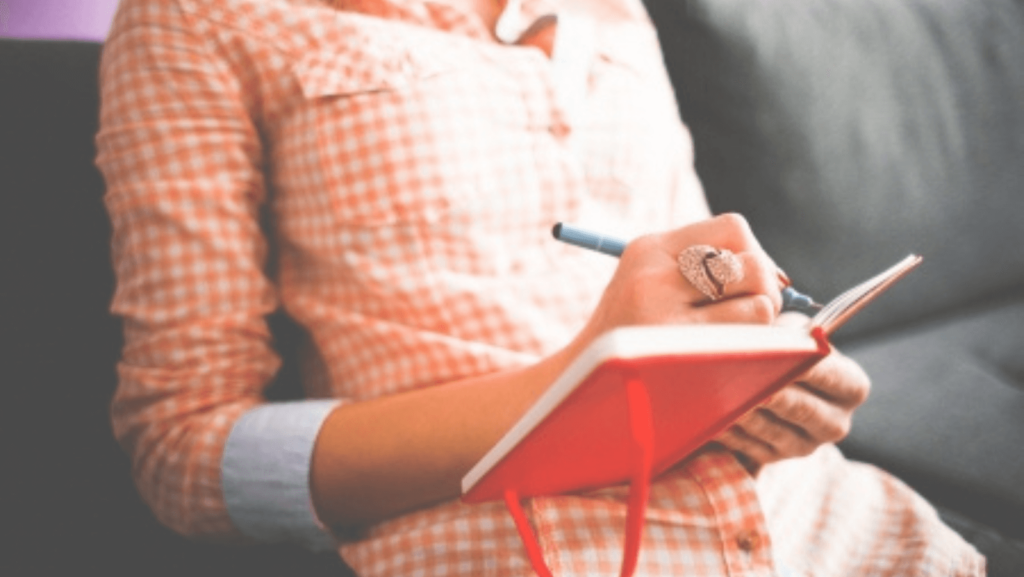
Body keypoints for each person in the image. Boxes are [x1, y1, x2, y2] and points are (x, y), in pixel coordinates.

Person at [95, 0, 984, 574]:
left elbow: (690, 275)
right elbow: (183, 454)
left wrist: (748, 371)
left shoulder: (614, 14)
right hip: (530, 547)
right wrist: (581, 384)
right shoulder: (198, 19)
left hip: (839, 528)